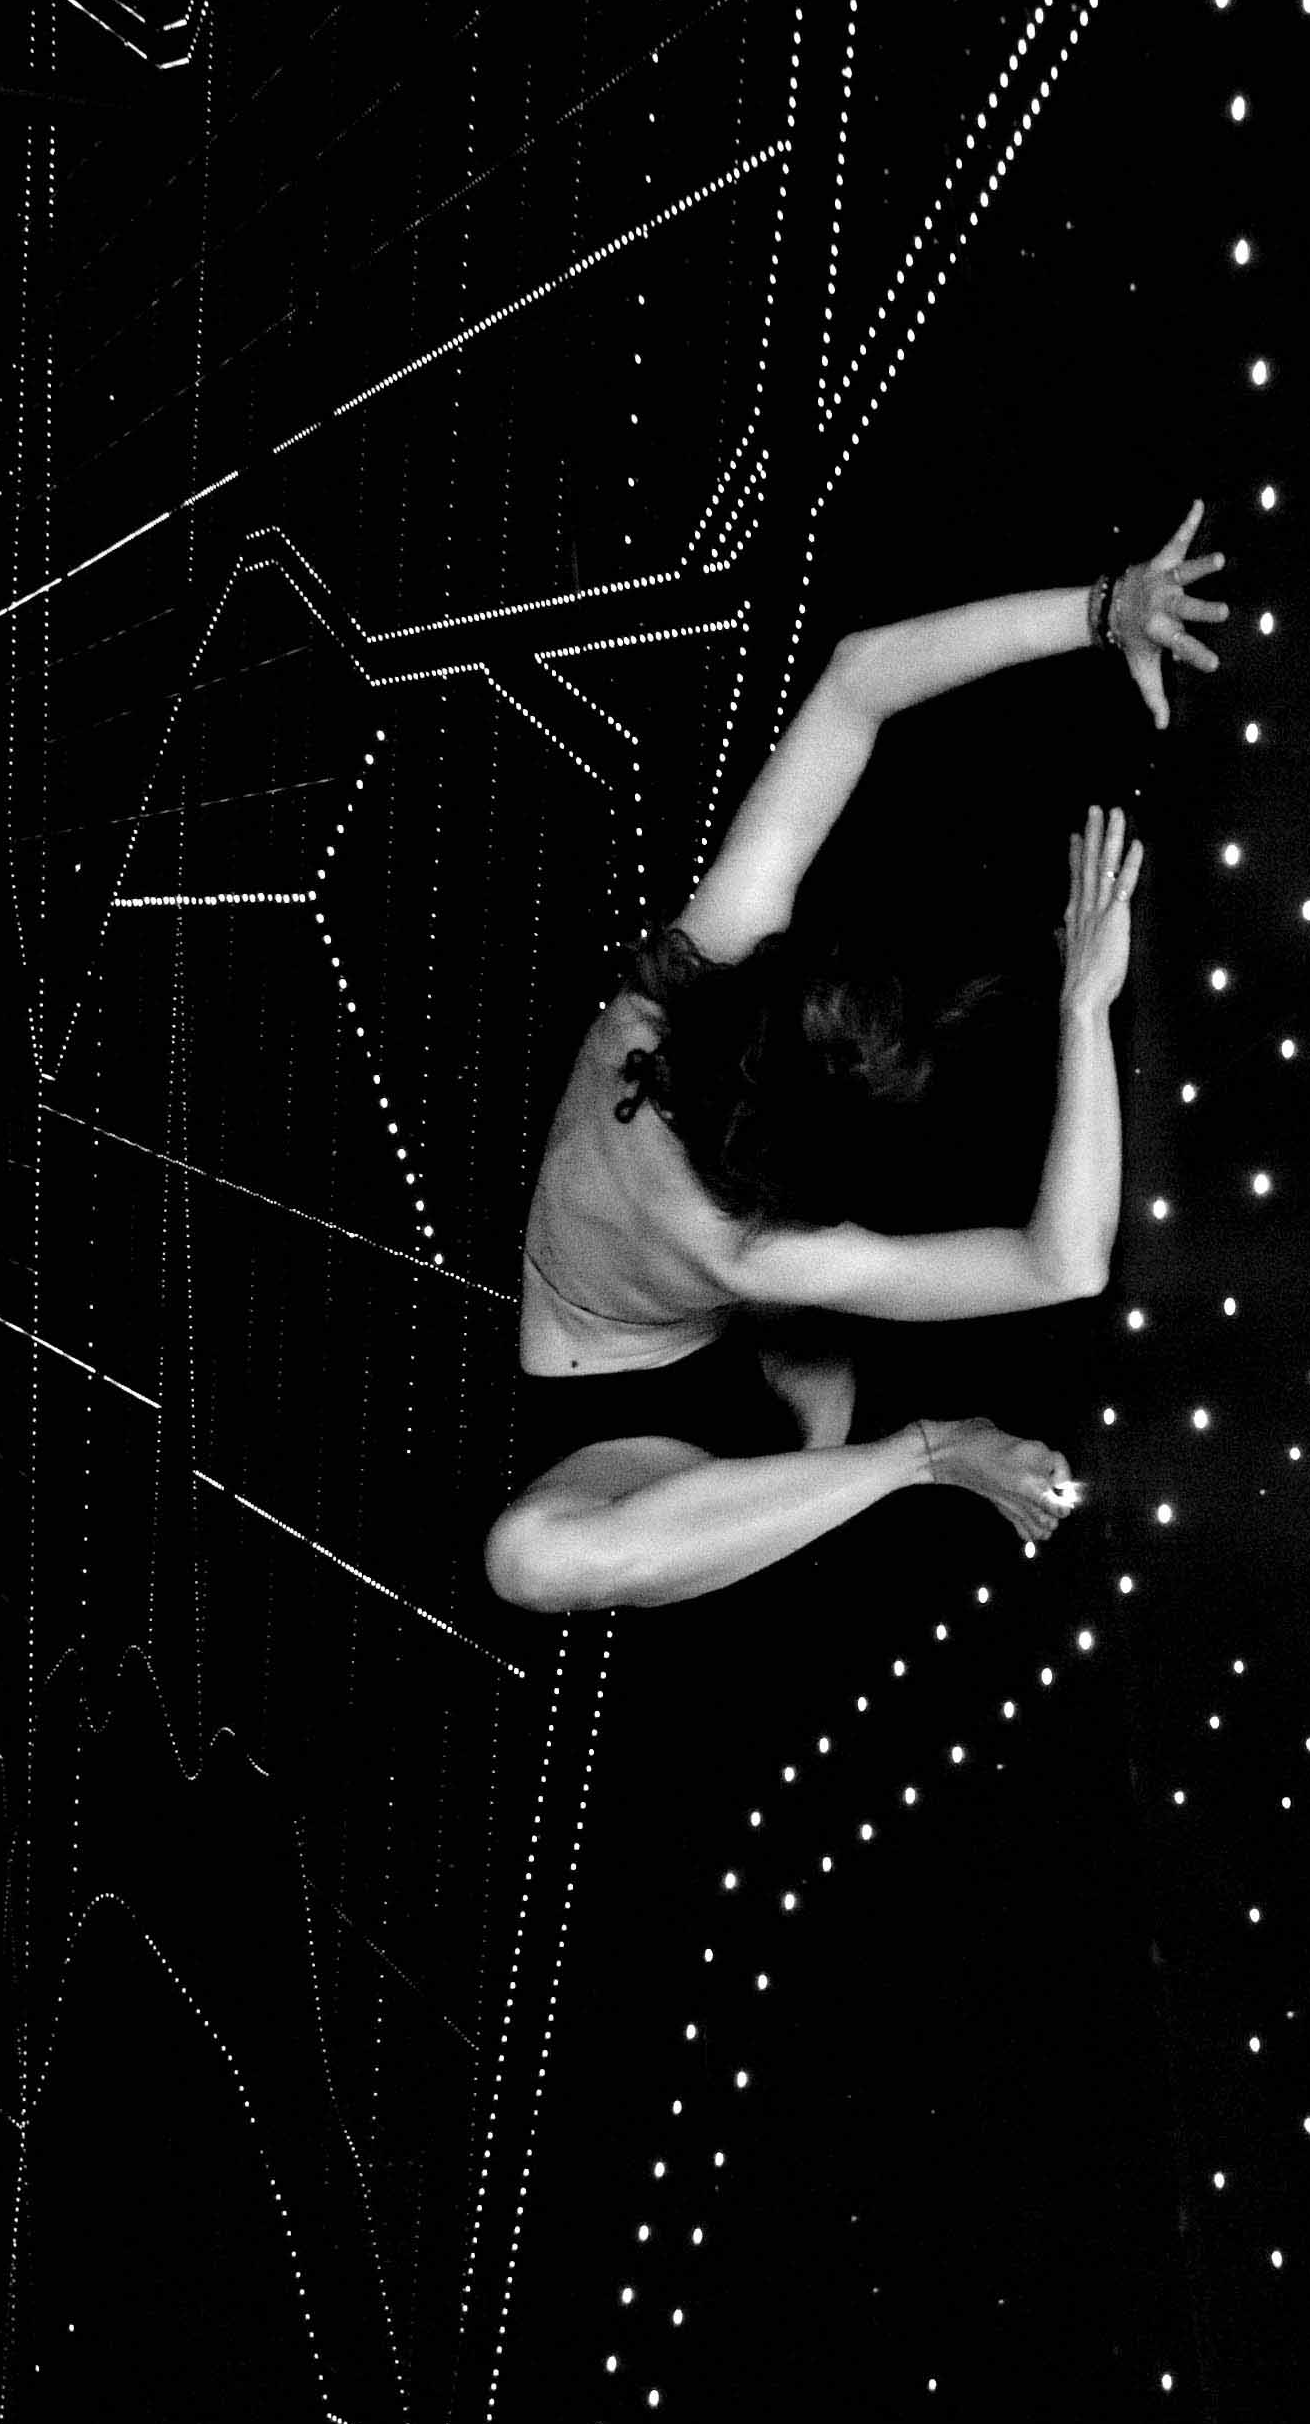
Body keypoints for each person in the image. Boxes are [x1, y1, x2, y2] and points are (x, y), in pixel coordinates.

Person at [481, 504, 1229, 1613]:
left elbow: (854, 681)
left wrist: (1106, 609)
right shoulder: (753, 1233)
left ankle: (841, 1411)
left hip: (708, 1352)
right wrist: (1084, 1007)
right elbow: (1059, 1265)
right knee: (532, 1563)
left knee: (536, 1557)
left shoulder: (684, 980)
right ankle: (904, 1444)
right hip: (629, 1406)